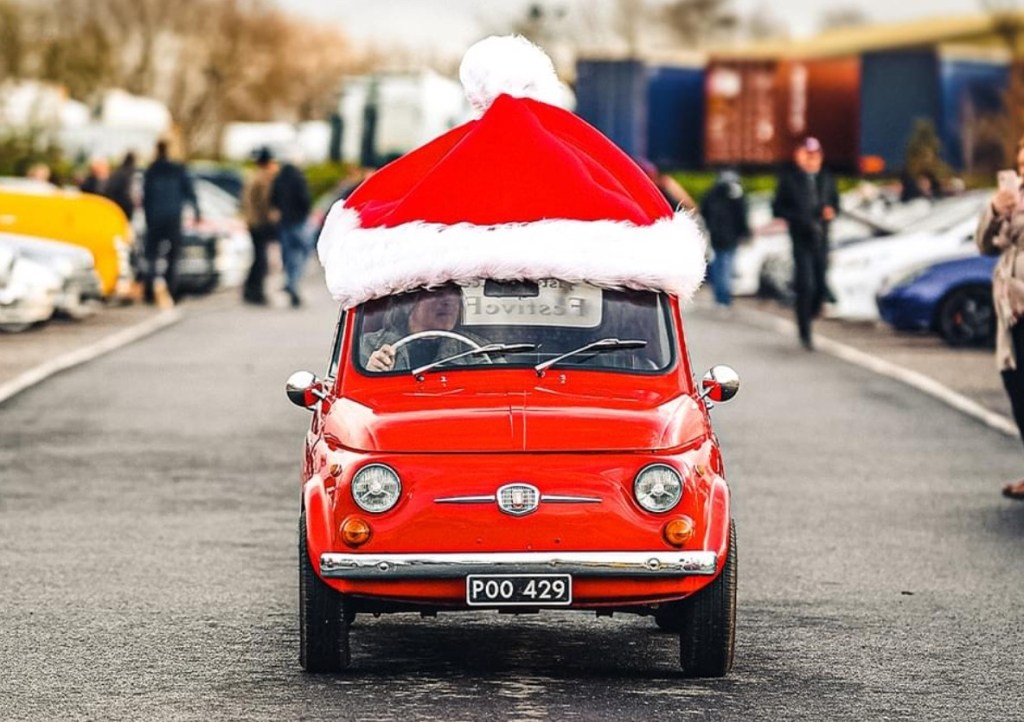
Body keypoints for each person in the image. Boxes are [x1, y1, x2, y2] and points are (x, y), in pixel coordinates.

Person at [976, 139, 1024, 500]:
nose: (1022, 164)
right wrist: (994, 209)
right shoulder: (1012, 196)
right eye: (1020, 157)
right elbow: (983, 245)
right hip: (1011, 309)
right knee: (1015, 385)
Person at [772, 136, 839, 350]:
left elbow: (836, 203)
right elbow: (778, 208)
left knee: (820, 285)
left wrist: (830, 211)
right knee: (806, 284)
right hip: (801, 238)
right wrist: (798, 218)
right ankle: (804, 331)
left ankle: (811, 312)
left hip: (821, 238)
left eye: (815, 155)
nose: (811, 159)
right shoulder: (791, 178)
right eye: (807, 154)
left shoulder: (826, 178)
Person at [362, 286, 482, 372]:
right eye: (436, 292)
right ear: (408, 303)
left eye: (454, 294)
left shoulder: (475, 349)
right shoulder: (368, 346)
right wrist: (372, 371)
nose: (448, 302)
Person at [141, 139, 200, 307]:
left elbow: (146, 196)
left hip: (155, 218)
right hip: (173, 217)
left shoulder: (152, 170)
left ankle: (150, 291)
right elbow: (190, 191)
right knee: (173, 257)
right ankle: (171, 290)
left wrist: (148, 216)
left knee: (151, 256)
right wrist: (197, 212)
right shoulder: (177, 168)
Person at [700, 169, 750, 308]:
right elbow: (742, 215)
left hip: (717, 234)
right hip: (731, 235)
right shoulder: (736, 193)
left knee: (719, 263)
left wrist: (711, 226)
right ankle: (725, 296)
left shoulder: (712, 193)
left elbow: (705, 212)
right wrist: (744, 232)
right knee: (727, 264)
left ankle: (720, 295)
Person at [270, 151, 312, 307]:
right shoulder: (298, 178)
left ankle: (290, 281)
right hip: (298, 221)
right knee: (304, 250)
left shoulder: (279, 179)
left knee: (288, 255)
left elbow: (273, 200)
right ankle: (294, 282)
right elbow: (304, 199)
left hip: (284, 222)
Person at [241, 148, 278, 305]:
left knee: (258, 257)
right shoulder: (263, 179)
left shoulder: (252, 177)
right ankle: (255, 291)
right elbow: (264, 203)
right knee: (261, 259)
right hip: (260, 223)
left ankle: (250, 289)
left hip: (252, 222)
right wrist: (272, 217)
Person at [104, 152, 137, 221]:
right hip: (128, 206)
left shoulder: (117, 172)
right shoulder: (133, 173)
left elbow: (109, 190)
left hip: (117, 206)